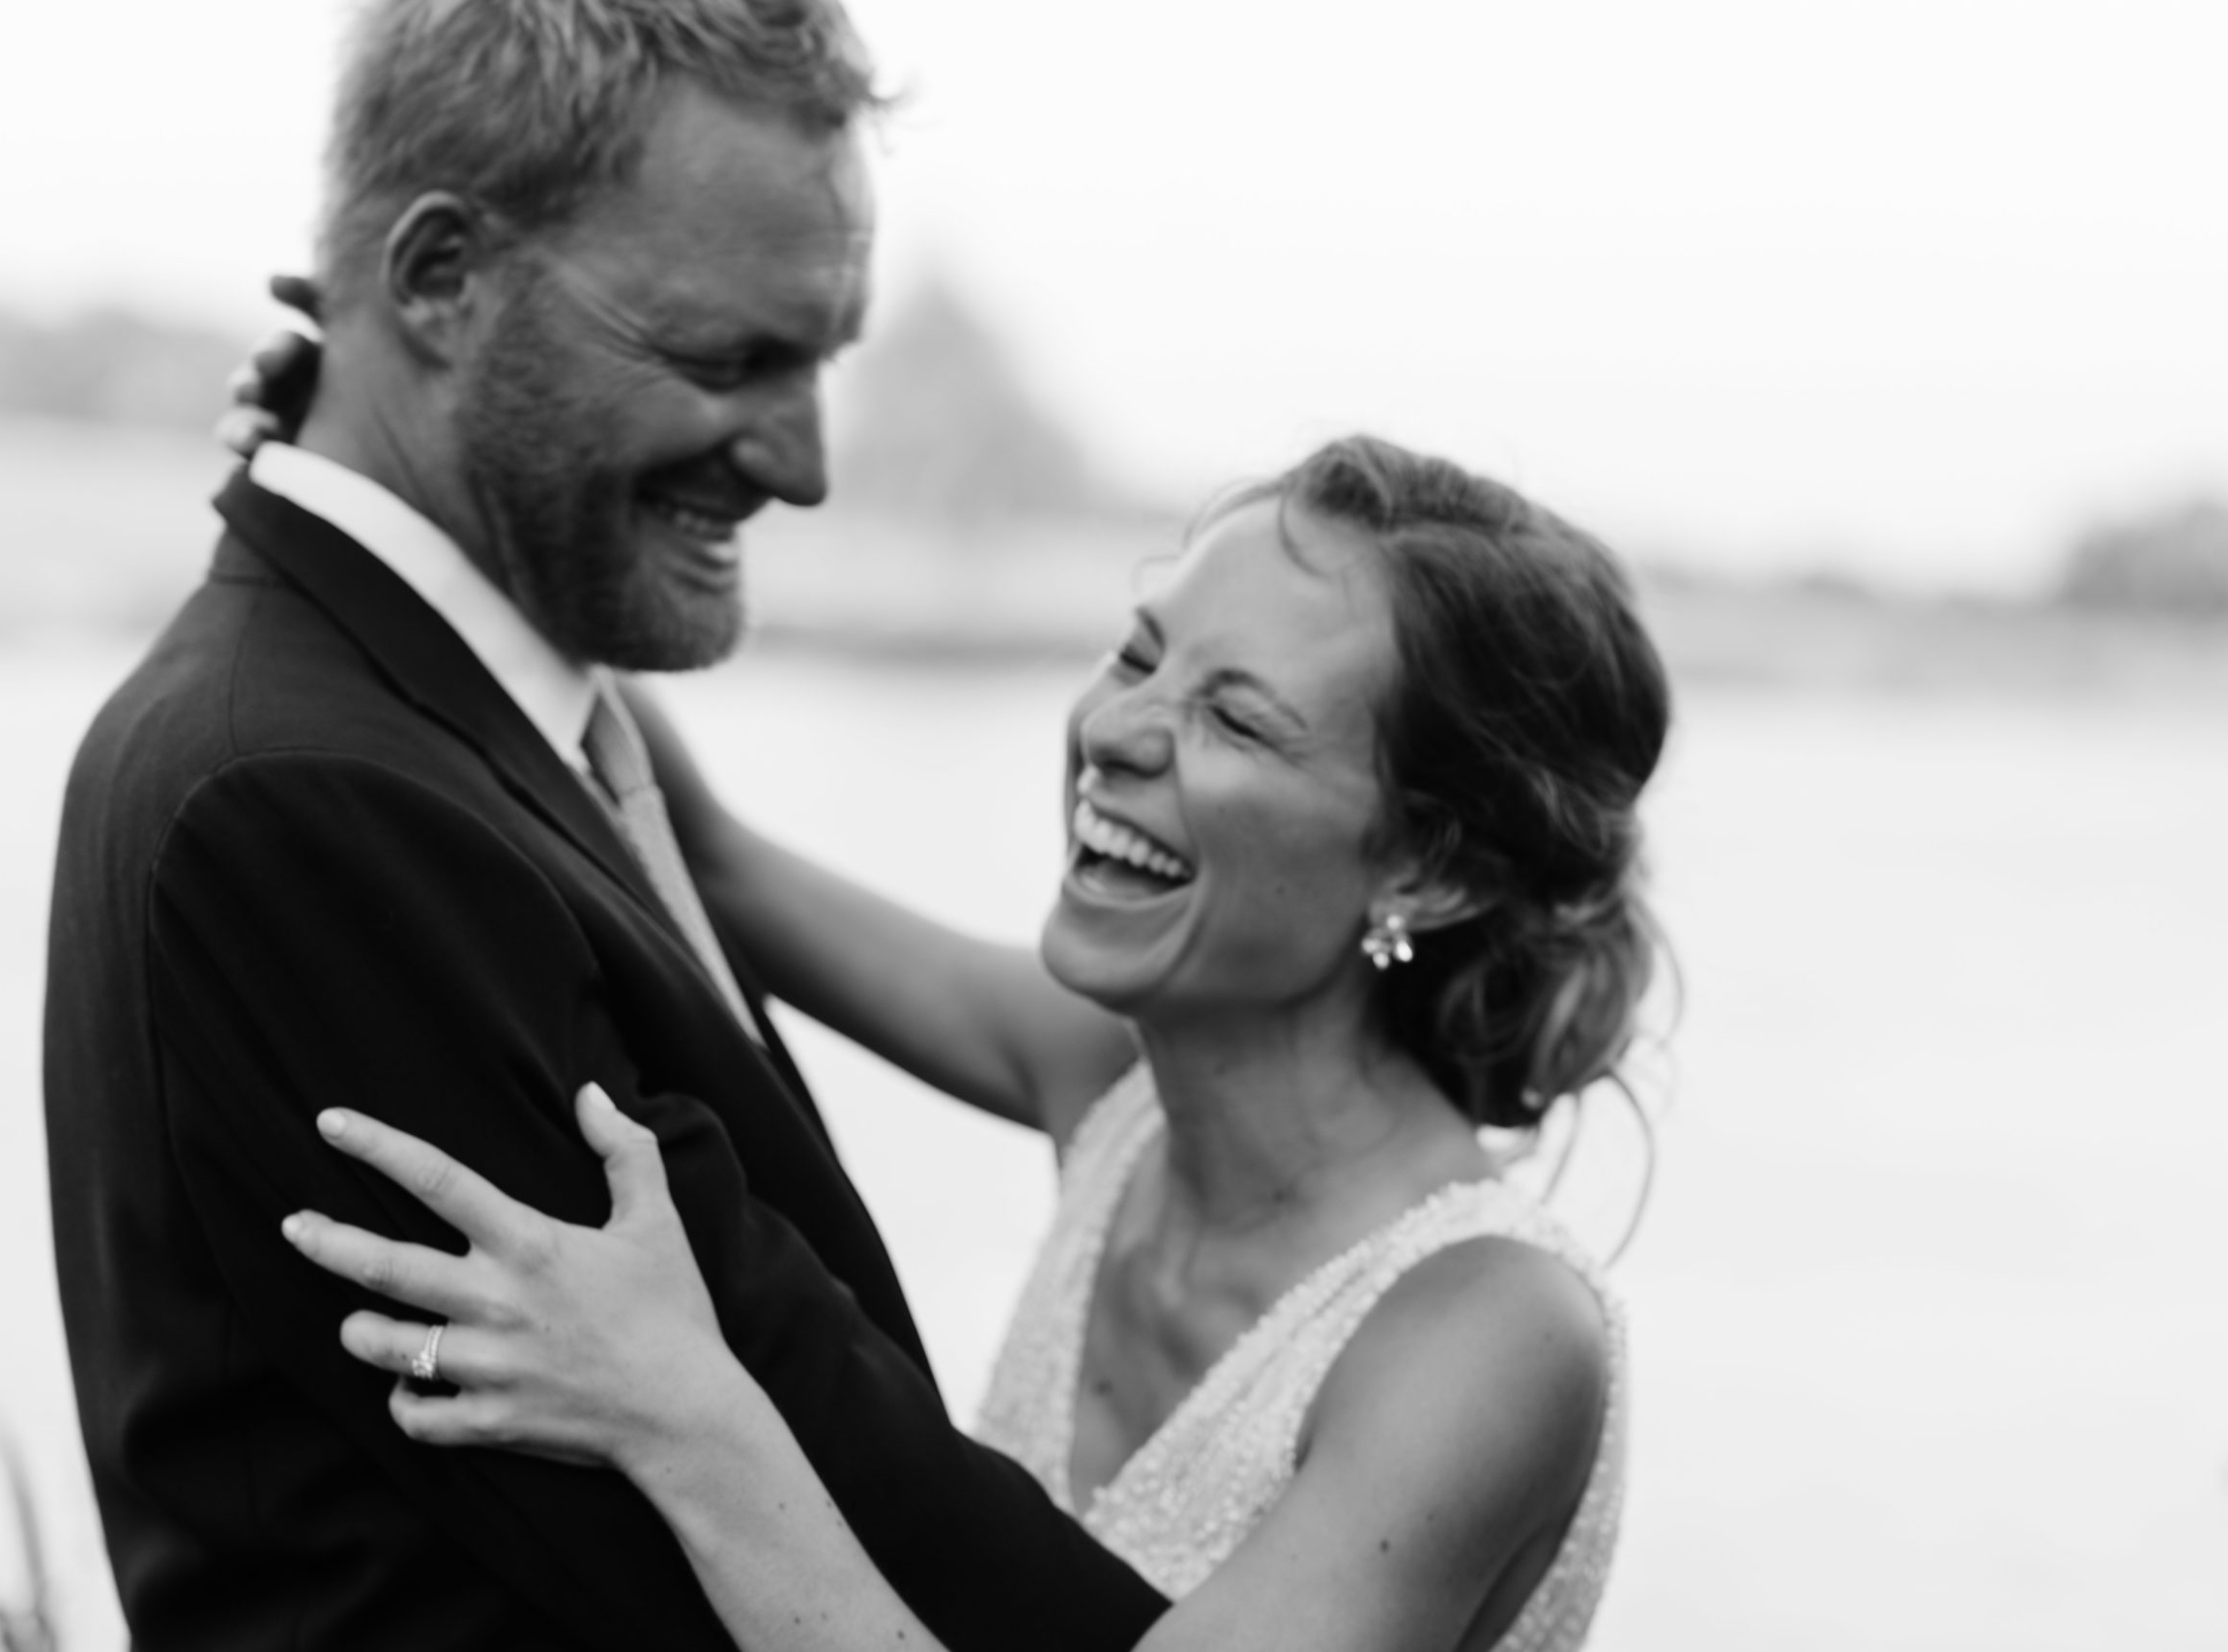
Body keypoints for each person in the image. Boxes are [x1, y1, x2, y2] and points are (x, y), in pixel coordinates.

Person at [41, 3, 1170, 1647]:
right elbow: (774, 1439)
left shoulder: (472, 715)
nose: (804, 464)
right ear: (439, 281)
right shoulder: (312, 807)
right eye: (728, 361)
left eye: (822, 357)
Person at [265, 434, 1672, 1652]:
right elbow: (717, 865)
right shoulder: (1115, 1076)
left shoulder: (1490, 1333)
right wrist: (377, 479)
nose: (1117, 729)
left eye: (1233, 715)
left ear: (1429, 865)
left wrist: (679, 1405)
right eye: (1139, 649)